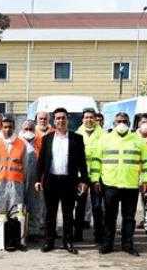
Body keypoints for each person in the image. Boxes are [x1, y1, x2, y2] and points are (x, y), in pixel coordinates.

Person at [94, 112, 147, 255]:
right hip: (110, 184)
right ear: (113, 124)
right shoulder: (104, 139)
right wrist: (95, 179)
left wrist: (145, 180)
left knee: (129, 218)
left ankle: (127, 244)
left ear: (129, 123)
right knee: (109, 217)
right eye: (118, 121)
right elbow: (96, 161)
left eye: (124, 121)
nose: (121, 123)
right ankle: (108, 244)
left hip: (131, 185)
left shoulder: (138, 140)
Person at [35, 107, 88, 253]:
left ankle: (68, 242)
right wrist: (38, 179)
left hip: (69, 181)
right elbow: (41, 162)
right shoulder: (47, 139)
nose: (61, 120)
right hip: (51, 181)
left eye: (63, 118)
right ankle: (49, 242)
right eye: (58, 118)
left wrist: (84, 180)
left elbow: (82, 162)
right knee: (50, 213)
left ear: (67, 119)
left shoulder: (77, 138)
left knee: (68, 213)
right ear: (54, 120)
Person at [0, 117, 30, 248]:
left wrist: (20, 180)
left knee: (16, 212)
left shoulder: (21, 144)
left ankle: (17, 240)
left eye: (10, 127)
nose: (7, 129)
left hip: (15, 183)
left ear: (14, 127)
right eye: (5, 127)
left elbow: (25, 166)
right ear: (1, 127)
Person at [75, 108, 104, 245]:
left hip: (98, 176)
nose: (89, 120)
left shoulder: (103, 135)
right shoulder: (76, 134)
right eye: (86, 117)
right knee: (80, 205)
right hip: (82, 176)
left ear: (95, 119)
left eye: (91, 117)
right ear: (82, 119)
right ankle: (78, 234)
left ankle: (99, 235)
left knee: (97, 206)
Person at [19, 120, 45, 241]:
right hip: (18, 179)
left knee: (34, 205)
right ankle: (20, 232)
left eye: (31, 129)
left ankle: (34, 231)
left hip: (35, 179)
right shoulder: (16, 142)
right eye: (26, 129)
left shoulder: (40, 141)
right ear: (21, 129)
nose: (28, 131)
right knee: (19, 206)